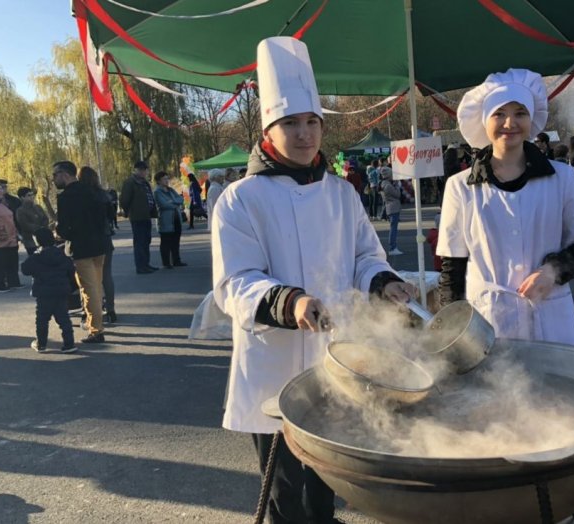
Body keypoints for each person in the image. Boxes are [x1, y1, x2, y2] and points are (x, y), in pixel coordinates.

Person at [212, 36, 414, 524]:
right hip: (273, 361)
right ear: (269, 130)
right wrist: (290, 301)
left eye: (311, 122)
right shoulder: (240, 199)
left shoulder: (343, 194)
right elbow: (234, 282)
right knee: (284, 486)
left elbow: (366, 254)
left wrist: (382, 281)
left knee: (327, 473)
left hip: (334, 360)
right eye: (290, 124)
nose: (304, 134)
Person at [438, 68, 574, 345]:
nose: (509, 123)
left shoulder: (562, 178)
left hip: (550, 316)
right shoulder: (460, 186)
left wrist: (552, 271)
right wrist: (451, 334)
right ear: (485, 120)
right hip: (487, 323)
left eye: (520, 113)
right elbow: (452, 269)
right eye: (499, 113)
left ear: (532, 119)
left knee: (556, 387)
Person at [53, 161, 108, 343]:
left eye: (55, 175)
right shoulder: (92, 191)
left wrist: (59, 232)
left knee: (88, 289)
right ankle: (96, 322)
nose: (54, 179)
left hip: (81, 248)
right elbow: (105, 217)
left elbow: (64, 229)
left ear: (65, 174)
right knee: (97, 287)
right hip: (100, 245)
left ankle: (96, 329)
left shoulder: (65, 197)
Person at [20, 227, 77, 353]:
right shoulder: (61, 254)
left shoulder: (36, 257)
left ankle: (41, 343)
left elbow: (25, 269)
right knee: (63, 318)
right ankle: (69, 343)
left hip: (43, 292)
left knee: (42, 319)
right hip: (61, 291)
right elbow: (70, 269)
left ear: (38, 242)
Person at [77, 166, 118, 324]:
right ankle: (111, 310)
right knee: (106, 276)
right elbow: (111, 216)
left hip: (87, 241)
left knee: (88, 279)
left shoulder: (80, 195)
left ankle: (90, 310)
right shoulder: (104, 195)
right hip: (105, 239)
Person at [121, 160, 159, 274]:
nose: (143, 172)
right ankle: (140, 266)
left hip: (146, 216)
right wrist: (128, 211)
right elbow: (124, 199)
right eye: (141, 170)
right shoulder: (130, 182)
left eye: (145, 170)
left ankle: (146, 264)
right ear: (136, 170)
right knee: (139, 242)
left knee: (146, 240)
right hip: (137, 216)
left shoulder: (144, 182)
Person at [0, 180, 22, 292]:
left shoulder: (4, 202)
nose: (1, 191)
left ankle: (13, 282)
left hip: (10, 236)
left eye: (2, 188)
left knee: (11, 260)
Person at [153, 171, 187, 268]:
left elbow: (180, 199)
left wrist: (173, 201)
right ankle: (166, 262)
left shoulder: (171, 190)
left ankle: (176, 260)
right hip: (166, 220)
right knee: (166, 242)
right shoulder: (157, 192)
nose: (167, 181)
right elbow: (164, 204)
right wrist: (174, 203)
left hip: (176, 219)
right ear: (159, 181)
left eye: (167, 178)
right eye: (164, 179)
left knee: (176, 241)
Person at [15, 187, 49, 255]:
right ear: (22, 197)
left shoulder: (38, 207)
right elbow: (25, 225)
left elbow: (45, 219)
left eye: (32, 195)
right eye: (29, 195)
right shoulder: (20, 211)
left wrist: (44, 227)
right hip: (31, 241)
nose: (32, 197)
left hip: (44, 239)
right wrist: (39, 228)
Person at [379, 166, 403, 255]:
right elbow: (397, 194)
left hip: (390, 208)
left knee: (393, 228)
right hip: (393, 208)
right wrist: (397, 186)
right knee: (393, 229)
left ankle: (393, 247)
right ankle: (393, 247)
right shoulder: (388, 185)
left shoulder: (384, 184)